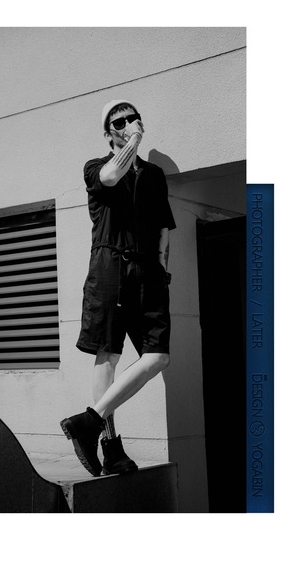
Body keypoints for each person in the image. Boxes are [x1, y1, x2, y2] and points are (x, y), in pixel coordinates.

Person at [60, 100, 176, 476]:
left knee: (158, 356)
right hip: (109, 268)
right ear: (108, 132)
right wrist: (133, 142)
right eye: (119, 121)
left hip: (148, 272)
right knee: (107, 356)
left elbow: (163, 226)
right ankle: (111, 449)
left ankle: (88, 421)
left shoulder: (154, 175)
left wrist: (162, 270)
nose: (127, 124)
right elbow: (111, 176)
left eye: (132, 118)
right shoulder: (96, 167)